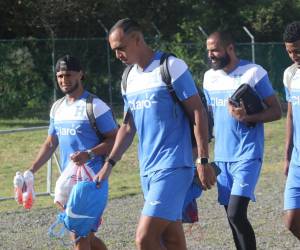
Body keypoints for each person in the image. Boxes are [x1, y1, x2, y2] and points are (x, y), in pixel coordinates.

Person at [95, 18, 216, 250]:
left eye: (120, 47)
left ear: (137, 39)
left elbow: (198, 112)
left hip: (174, 166)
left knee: (145, 239)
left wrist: (202, 160)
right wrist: (108, 165)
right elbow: (128, 127)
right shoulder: (128, 78)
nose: (117, 54)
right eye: (114, 50)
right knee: (171, 239)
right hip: (147, 170)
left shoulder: (171, 66)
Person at [25, 55, 118, 250]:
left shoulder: (95, 106)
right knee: (84, 237)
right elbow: (50, 143)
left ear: (81, 74)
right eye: (59, 75)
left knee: (80, 237)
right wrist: (31, 171)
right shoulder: (57, 108)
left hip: (92, 182)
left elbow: (116, 139)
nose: (63, 80)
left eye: (68, 75)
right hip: (68, 182)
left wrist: (90, 153)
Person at [203, 31, 282, 250]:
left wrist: (247, 117)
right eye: (208, 51)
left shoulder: (253, 73)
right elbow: (209, 117)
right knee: (231, 219)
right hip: (221, 158)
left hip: (247, 154)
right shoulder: (209, 77)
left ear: (230, 48)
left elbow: (276, 111)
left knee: (236, 213)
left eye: (215, 50)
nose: (211, 55)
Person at [283, 21, 300, 240]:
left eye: (297, 50)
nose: (294, 56)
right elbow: (290, 115)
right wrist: (287, 156)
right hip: (297, 161)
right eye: (289, 51)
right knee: (291, 220)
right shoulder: (290, 75)